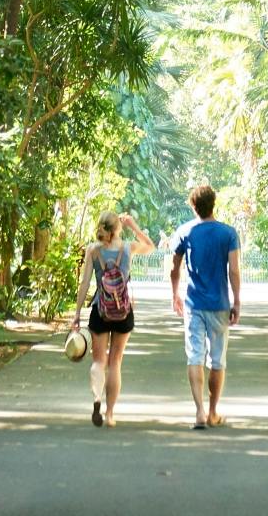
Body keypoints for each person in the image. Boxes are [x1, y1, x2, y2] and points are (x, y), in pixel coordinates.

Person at [169, 183, 240, 431]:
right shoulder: (228, 233)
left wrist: (174, 294)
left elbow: (174, 268)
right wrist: (237, 301)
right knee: (217, 359)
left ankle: (199, 411)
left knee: (195, 356)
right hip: (219, 304)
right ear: (213, 205)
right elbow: (234, 270)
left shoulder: (185, 232)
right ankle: (212, 412)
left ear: (193, 206)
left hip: (194, 304)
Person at [73, 212, 153, 427]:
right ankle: (109, 414)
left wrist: (77, 313)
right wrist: (134, 226)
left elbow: (84, 284)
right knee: (115, 362)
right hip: (123, 312)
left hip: (100, 310)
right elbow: (150, 246)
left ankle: (97, 397)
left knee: (99, 362)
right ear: (118, 228)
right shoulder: (128, 248)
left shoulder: (93, 250)